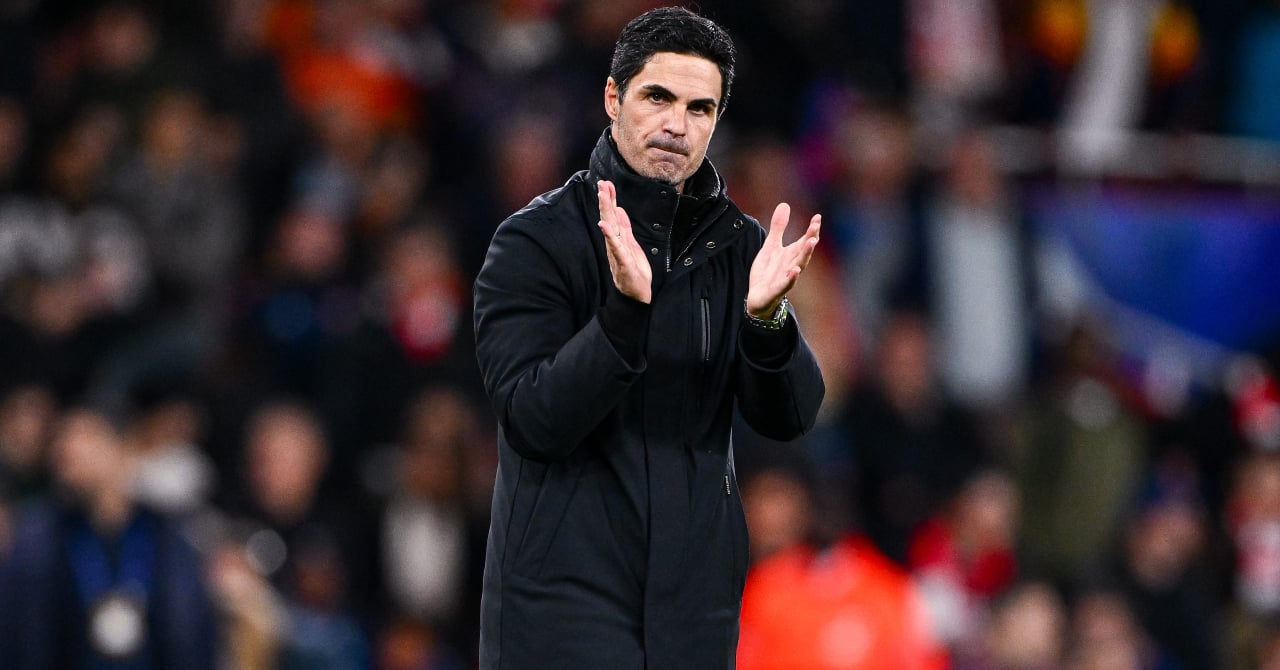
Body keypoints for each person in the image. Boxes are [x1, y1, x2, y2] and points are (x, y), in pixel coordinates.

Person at [472, 7, 825, 669]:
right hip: (561, 609)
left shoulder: (738, 246)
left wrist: (768, 322)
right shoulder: (534, 242)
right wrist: (624, 317)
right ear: (614, 98)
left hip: (695, 612)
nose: (677, 125)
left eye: (699, 108)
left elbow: (792, 417)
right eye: (657, 97)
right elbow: (532, 420)